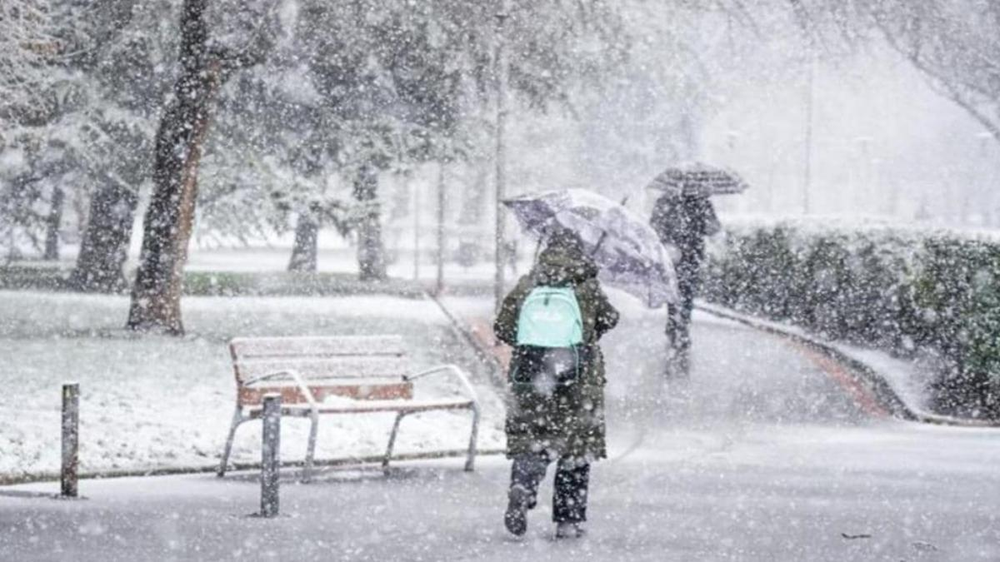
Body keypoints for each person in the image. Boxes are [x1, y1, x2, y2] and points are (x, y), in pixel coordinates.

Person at [493, 228, 619, 539]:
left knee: (533, 435)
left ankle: (524, 481)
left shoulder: (529, 282)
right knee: (576, 444)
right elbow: (609, 319)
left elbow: (503, 327)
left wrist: (536, 343)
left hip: (531, 375)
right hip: (577, 377)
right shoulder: (586, 286)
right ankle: (568, 520)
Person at [650, 192, 720, 375]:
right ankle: (680, 325)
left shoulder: (667, 201)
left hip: (677, 255)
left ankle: (675, 324)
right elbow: (713, 228)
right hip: (687, 255)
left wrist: (666, 237)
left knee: (678, 291)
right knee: (684, 292)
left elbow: (655, 226)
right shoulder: (700, 202)